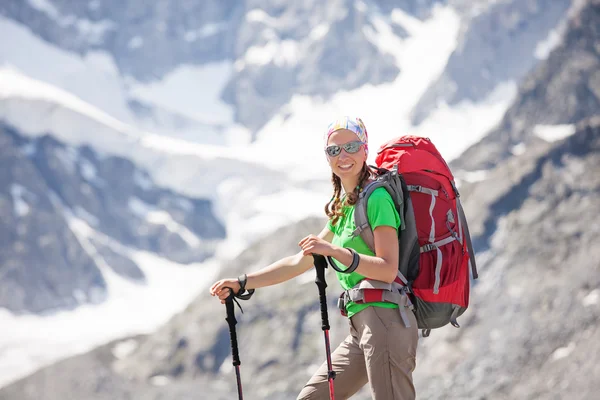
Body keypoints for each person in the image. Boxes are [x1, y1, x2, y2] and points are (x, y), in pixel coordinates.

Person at [210, 116, 419, 400]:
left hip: (385, 319)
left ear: (365, 149)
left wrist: (336, 252)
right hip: (361, 327)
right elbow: (300, 262)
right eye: (334, 150)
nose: (343, 156)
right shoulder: (344, 205)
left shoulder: (378, 198)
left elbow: (387, 269)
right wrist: (243, 282)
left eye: (351, 147)